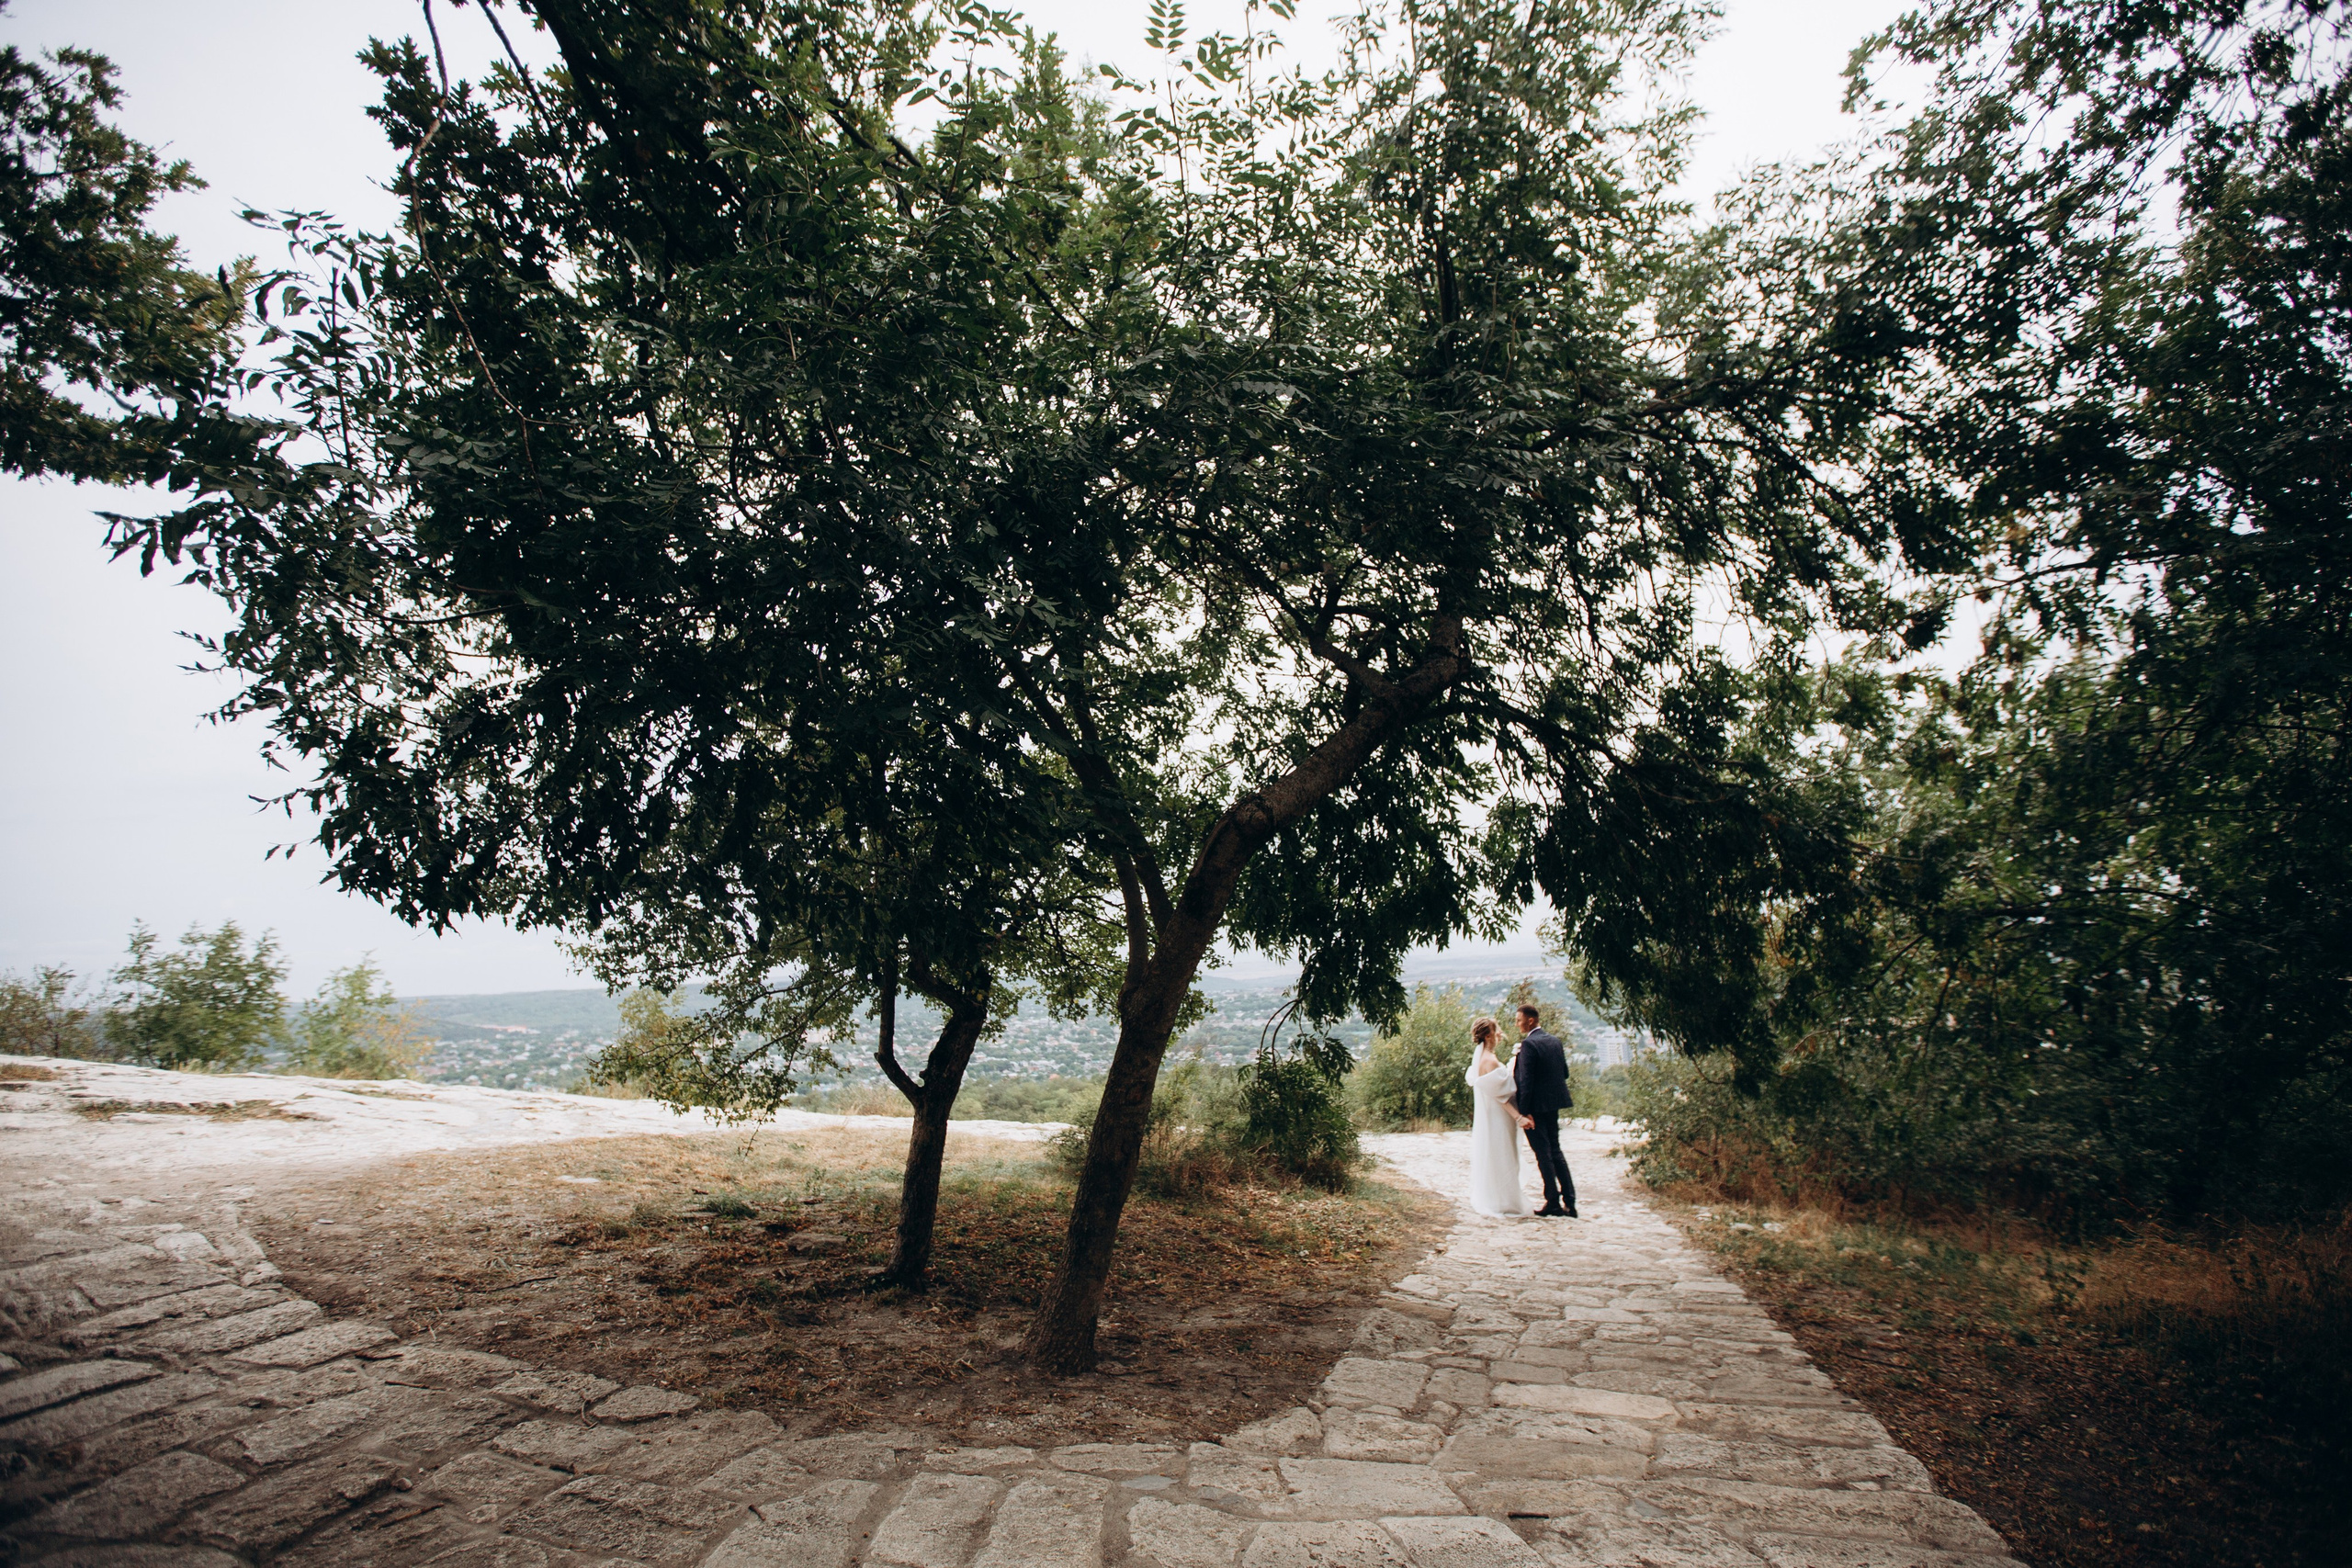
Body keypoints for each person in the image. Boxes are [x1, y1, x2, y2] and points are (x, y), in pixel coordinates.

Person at [1510, 1002, 1578, 1217]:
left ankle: (1553, 1203)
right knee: (1556, 1151)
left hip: (1535, 1108)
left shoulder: (1529, 1045)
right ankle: (1570, 1201)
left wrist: (1523, 1111)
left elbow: (1526, 1081)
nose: (1517, 1024)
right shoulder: (1555, 1041)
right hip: (1553, 1105)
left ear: (1530, 1020)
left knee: (1543, 1154)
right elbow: (1564, 1074)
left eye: (1519, 1020)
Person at [1464, 1016, 1533, 1218]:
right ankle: (1505, 1201)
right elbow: (1502, 1097)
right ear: (1488, 1035)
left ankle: (1498, 1197)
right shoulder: (1490, 1061)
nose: (1500, 1034)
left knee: (1498, 1153)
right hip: (1499, 1116)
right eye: (1497, 1031)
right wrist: (1519, 1117)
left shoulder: (1482, 1058)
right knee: (1504, 1154)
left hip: (1492, 1114)